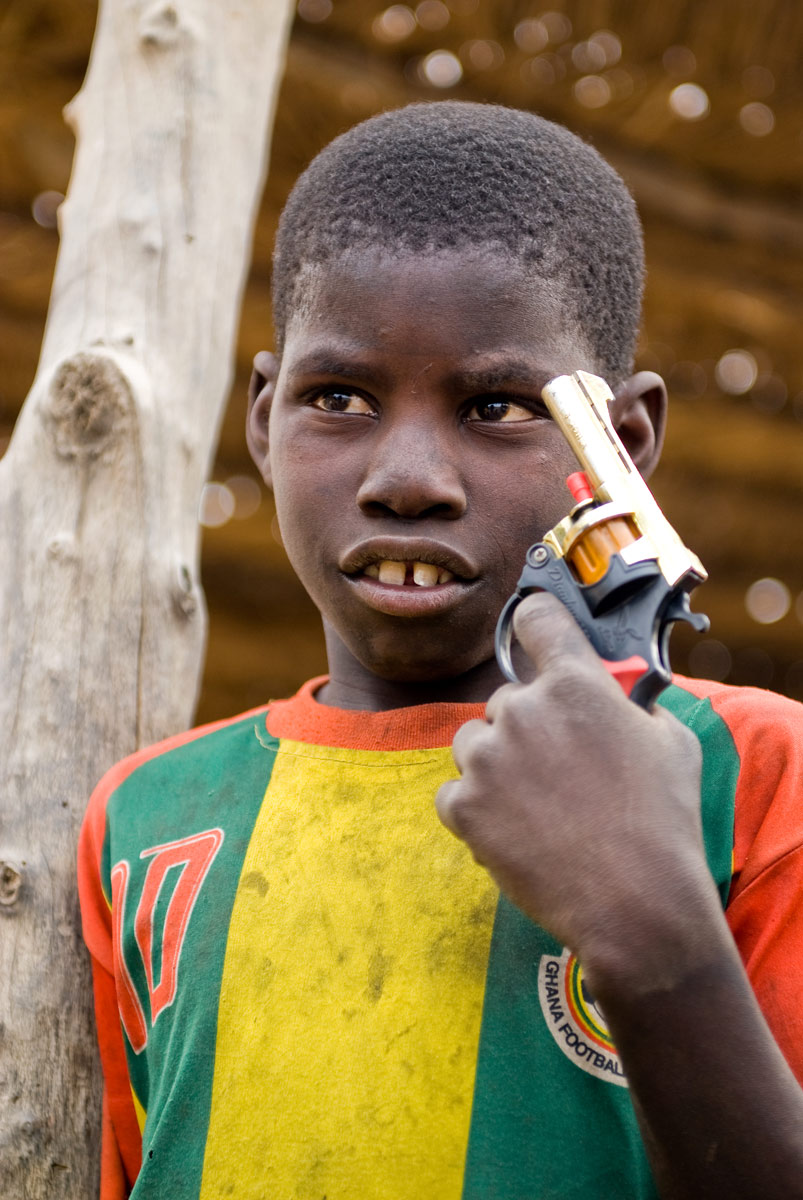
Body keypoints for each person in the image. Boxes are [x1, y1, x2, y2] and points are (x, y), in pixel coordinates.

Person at [78, 102, 803, 1199]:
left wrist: (648, 926)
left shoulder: (751, 775)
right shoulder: (144, 817)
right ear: (264, 420)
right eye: (338, 398)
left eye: (498, 405)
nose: (406, 475)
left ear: (624, 444)